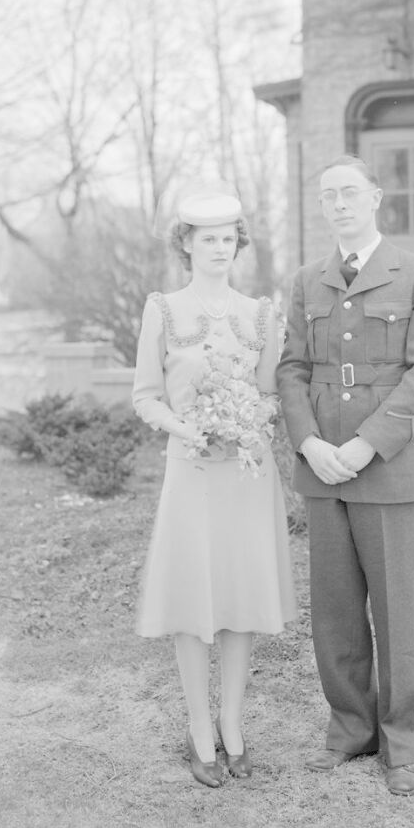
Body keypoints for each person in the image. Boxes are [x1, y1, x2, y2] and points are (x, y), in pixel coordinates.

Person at [276, 155, 414, 796]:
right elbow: (291, 368)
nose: (339, 204)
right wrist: (309, 441)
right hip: (324, 469)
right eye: (328, 196)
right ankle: (351, 729)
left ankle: (403, 741)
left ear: (375, 197)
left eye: (350, 192)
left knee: (395, 611)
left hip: (389, 471)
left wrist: (366, 446)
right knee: (336, 611)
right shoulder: (306, 281)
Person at [132, 186, 297, 788]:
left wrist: (254, 422)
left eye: (229, 239)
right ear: (187, 245)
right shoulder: (164, 310)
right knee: (192, 600)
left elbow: (271, 390)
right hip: (193, 471)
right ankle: (199, 730)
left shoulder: (260, 314)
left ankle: (233, 724)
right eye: (208, 240)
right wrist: (190, 428)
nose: (220, 249)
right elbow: (145, 395)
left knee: (238, 598)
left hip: (247, 476)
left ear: (239, 245)